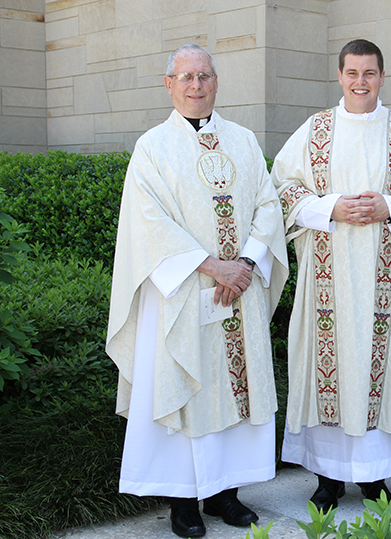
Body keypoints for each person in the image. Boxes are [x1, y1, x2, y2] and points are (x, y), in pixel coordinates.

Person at [106, 44, 289, 538]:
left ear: (216, 81)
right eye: (185, 77)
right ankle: (184, 503)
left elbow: (269, 206)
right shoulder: (153, 148)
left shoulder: (245, 140)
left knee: (236, 390)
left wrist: (246, 264)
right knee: (188, 389)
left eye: (204, 75)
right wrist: (211, 266)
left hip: (239, 291)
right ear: (169, 84)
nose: (196, 85)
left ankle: (227, 495)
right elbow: (148, 224)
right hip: (183, 294)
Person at [270, 39, 391, 512]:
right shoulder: (316, 131)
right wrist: (331, 207)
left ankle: (373, 477)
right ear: (340, 76)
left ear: (382, 77)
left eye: (369, 73)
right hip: (326, 274)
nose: (360, 82)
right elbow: (281, 192)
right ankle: (327, 477)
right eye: (352, 73)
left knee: (379, 368)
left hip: (384, 276)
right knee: (328, 365)